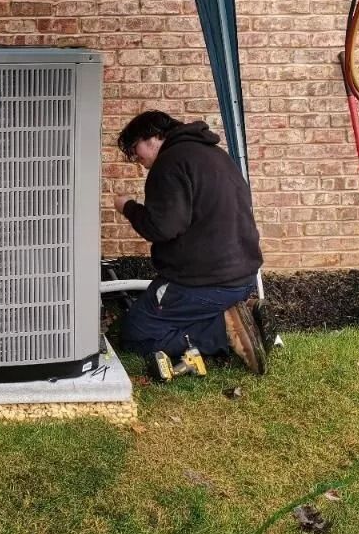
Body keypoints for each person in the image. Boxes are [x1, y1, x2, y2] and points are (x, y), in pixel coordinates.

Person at [113, 110, 267, 378]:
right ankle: (241, 312)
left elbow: (161, 228)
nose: (136, 159)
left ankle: (224, 329)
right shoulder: (215, 155)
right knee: (159, 317)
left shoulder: (170, 163)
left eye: (135, 149)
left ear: (153, 137)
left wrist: (128, 207)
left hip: (202, 281)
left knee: (135, 334)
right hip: (242, 278)